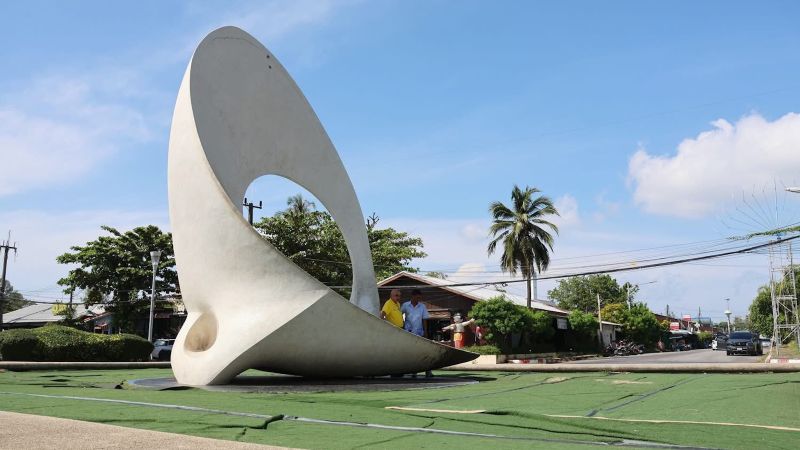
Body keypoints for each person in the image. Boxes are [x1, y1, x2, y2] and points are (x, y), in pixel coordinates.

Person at [401, 289, 432, 377]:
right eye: (417, 297)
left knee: (424, 352)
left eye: (419, 298)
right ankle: (414, 372)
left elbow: (424, 320)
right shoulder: (405, 305)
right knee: (411, 353)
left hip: (420, 333)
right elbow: (399, 315)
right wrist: (403, 326)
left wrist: (426, 333)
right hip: (408, 333)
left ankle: (428, 371)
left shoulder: (422, 306)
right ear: (412, 296)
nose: (418, 299)